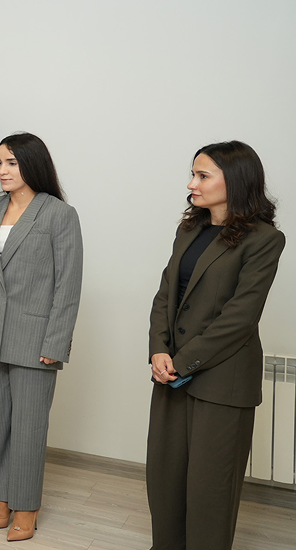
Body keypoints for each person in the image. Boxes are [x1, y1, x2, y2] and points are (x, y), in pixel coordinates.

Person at [146, 140, 284, 550]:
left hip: (223, 381)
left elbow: (240, 318)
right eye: (193, 174)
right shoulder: (188, 229)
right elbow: (166, 294)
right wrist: (158, 350)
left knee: (211, 491)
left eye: (202, 176)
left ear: (235, 181)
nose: (192, 183)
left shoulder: (265, 239)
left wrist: (181, 361)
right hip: (171, 374)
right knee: (165, 481)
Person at [0, 133, 83, 541]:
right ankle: (3, 498)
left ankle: (27, 506)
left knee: (28, 429)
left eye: (11, 162)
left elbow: (68, 286)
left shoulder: (59, 214)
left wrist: (56, 342)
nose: (2, 170)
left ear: (32, 164)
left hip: (35, 340)